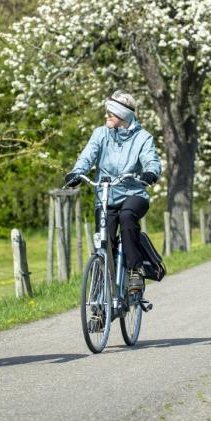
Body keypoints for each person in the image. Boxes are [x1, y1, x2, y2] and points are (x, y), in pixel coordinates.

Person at [65, 90, 161, 293]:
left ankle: (135, 270)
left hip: (134, 194)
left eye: (111, 113)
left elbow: (151, 160)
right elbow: (87, 155)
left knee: (127, 217)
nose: (106, 116)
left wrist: (150, 172)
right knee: (103, 243)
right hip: (106, 196)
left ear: (123, 115)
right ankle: (100, 306)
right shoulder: (100, 134)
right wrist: (77, 172)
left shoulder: (143, 138)